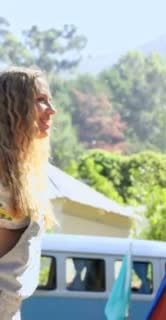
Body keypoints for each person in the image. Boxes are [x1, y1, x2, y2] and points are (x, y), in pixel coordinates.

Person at [0, 67, 56, 319]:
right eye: (40, 101)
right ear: (12, 106)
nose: (51, 111)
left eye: (49, 101)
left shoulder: (26, 173)